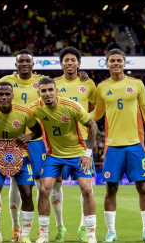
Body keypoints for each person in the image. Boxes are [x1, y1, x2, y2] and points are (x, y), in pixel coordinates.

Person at [90, 48, 145, 242]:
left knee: (143, 187)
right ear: (107, 63)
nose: (116, 63)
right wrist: (80, 119)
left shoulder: (136, 84)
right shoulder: (102, 87)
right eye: (112, 60)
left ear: (125, 63)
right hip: (113, 146)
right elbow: (98, 113)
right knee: (111, 188)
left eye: (119, 60)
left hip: (135, 145)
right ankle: (111, 232)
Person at [30, 77, 98, 243]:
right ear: (39, 93)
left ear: (56, 91)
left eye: (50, 90)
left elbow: (93, 126)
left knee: (87, 189)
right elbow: (16, 114)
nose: (47, 94)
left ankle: (90, 233)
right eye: (43, 91)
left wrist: (88, 153)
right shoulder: (35, 108)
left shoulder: (71, 106)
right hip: (54, 155)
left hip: (78, 153)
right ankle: (44, 234)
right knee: (44, 189)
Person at [0, 82, 42, 243]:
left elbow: (38, 130)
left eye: (7, 94)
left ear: (12, 96)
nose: (3, 97)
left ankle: (25, 235)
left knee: (27, 194)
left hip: (21, 156)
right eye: (0, 94)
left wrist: (29, 136)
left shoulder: (24, 112)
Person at [0, 49, 47, 241]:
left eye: (28, 60)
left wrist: (82, 75)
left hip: (36, 139)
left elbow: (61, 84)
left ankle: (39, 229)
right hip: (13, 140)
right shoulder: (6, 80)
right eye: (21, 61)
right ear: (15, 64)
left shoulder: (42, 81)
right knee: (14, 183)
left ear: (33, 64)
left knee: (39, 185)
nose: (24, 63)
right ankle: (16, 228)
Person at [53, 46, 97, 242]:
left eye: (73, 60)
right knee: (54, 187)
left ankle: (83, 227)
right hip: (57, 144)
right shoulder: (53, 84)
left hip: (81, 144)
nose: (70, 63)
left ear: (79, 63)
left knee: (86, 187)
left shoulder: (88, 84)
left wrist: (88, 124)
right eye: (66, 60)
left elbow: (98, 107)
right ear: (61, 63)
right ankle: (60, 227)